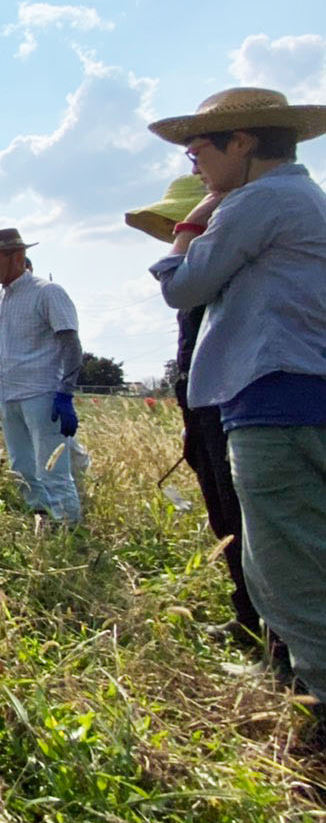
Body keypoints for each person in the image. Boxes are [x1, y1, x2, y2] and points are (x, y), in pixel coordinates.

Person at [147, 87, 326, 722]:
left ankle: (315, 704)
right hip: (304, 393)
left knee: (284, 565)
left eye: (199, 146)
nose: (193, 160)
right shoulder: (304, 199)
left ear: (243, 142)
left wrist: (186, 234)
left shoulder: (256, 201)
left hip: (272, 402)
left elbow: (184, 287)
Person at [126, 174, 286, 666]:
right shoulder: (206, 263)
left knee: (253, 523)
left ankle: (282, 647)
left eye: (187, 223)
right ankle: (248, 617)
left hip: (234, 399)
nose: (178, 233)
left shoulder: (235, 260)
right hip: (203, 399)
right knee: (225, 517)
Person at [0, 228, 85, 525]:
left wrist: (65, 393)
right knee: (21, 466)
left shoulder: (47, 292)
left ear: (17, 256)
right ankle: (40, 518)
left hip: (42, 394)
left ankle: (67, 528)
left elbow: (70, 345)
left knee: (52, 470)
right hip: (8, 395)